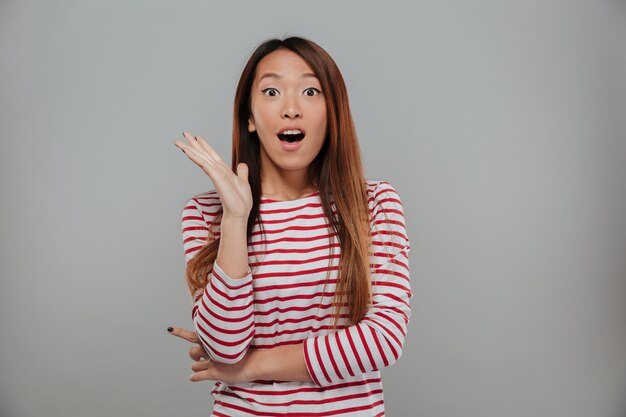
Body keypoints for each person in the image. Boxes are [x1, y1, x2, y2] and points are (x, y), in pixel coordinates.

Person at [169, 36, 412, 417]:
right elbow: (224, 346)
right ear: (249, 117)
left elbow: (382, 340)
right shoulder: (207, 213)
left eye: (311, 90)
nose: (291, 109)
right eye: (271, 91)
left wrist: (249, 367)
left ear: (332, 111)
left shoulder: (374, 204)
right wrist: (235, 218)